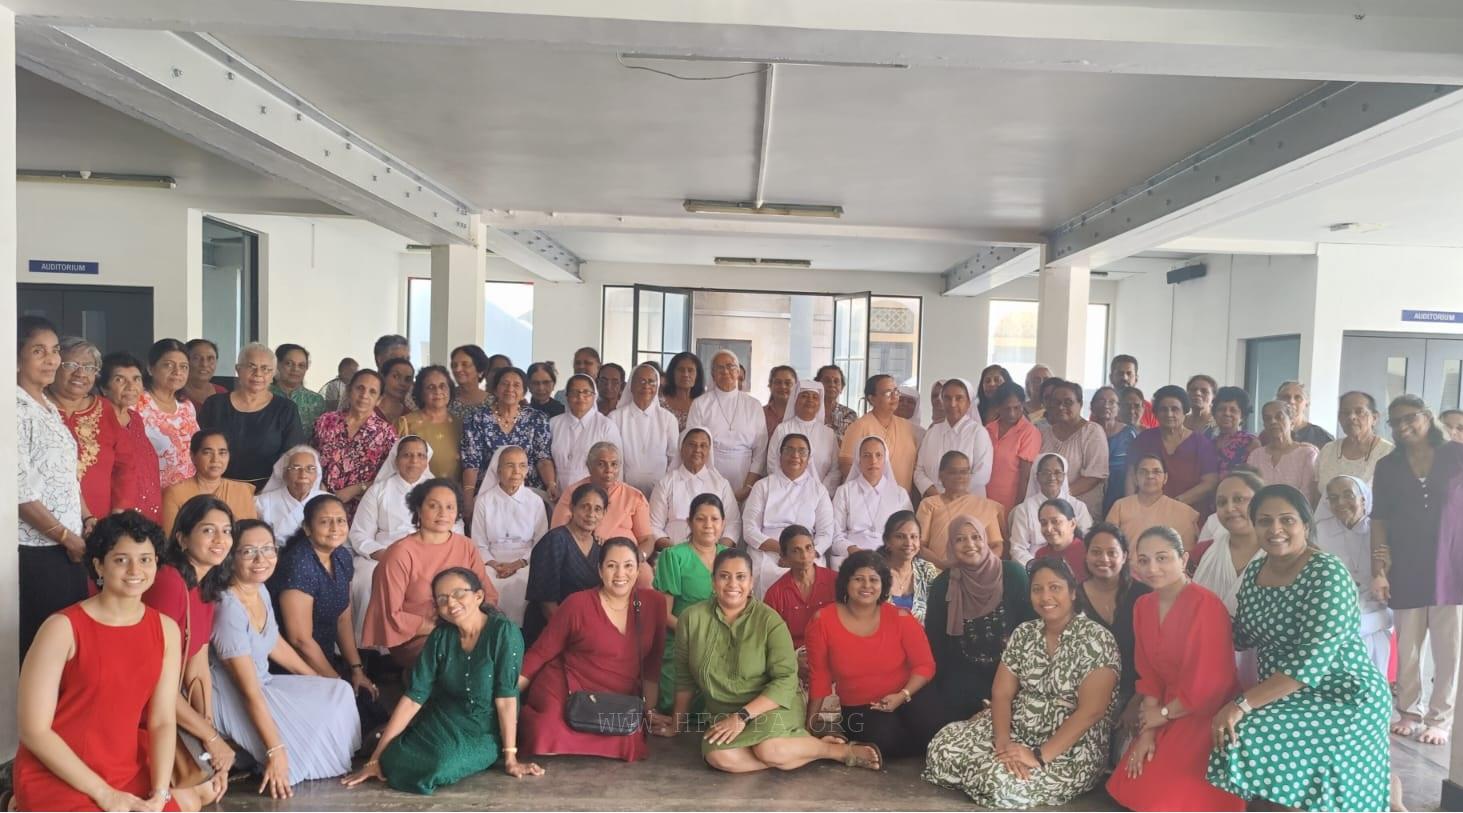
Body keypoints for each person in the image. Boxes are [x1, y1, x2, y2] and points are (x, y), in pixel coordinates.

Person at [1206, 484, 1390, 810]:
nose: (1275, 529)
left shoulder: (1327, 573)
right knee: (1240, 740)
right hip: (1285, 693)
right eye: (1264, 521)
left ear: (1305, 525)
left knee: (1245, 733)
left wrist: (1240, 704)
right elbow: (1242, 635)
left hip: (1342, 694)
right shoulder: (1256, 572)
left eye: (1286, 520)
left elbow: (1309, 663)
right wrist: (1191, 616)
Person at [14, 511, 199, 812]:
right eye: (121, 559)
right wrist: (104, 794)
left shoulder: (166, 629)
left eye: (145, 559)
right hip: (58, 773)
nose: (135, 570)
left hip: (127, 769)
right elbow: (34, 730)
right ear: (99, 565)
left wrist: (160, 791)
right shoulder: (61, 628)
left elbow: (163, 720)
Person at [923, 557, 1119, 808]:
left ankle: (988, 771)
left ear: (1072, 592)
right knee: (942, 745)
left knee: (996, 781)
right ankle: (990, 765)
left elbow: (1092, 711)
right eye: (1037, 589)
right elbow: (1001, 693)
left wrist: (1037, 756)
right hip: (1019, 727)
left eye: (1055, 588)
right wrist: (1003, 742)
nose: (1045, 597)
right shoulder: (1025, 633)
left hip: (1069, 748)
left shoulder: (1097, 639)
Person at [670, 549, 883, 773]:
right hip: (724, 712)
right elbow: (684, 678)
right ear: (713, 581)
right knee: (720, 757)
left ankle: (835, 751)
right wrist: (676, 724)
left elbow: (786, 680)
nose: (733, 584)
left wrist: (742, 716)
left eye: (741, 577)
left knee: (769, 749)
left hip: (773, 706)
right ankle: (798, 750)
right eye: (724, 576)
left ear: (751, 582)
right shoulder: (691, 619)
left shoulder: (769, 620)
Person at [343, 567, 542, 795]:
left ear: (478, 596)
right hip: (441, 720)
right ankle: (386, 745)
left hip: (483, 731)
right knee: (391, 758)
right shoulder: (440, 636)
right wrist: (375, 759)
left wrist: (510, 758)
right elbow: (414, 697)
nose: (451, 603)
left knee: (439, 766)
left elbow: (507, 698)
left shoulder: (503, 633)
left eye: (458, 594)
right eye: (442, 599)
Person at [209, 519, 360, 795]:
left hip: (262, 682)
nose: (261, 559)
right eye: (248, 552)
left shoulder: (259, 589)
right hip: (234, 693)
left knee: (338, 692)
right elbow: (248, 691)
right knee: (293, 760)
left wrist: (315, 679)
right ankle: (266, 756)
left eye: (268, 549)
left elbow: (274, 641)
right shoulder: (228, 608)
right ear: (231, 557)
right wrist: (275, 750)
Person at [1105, 527, 1242, 812]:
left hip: (1206, 713)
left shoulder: (1206, 605)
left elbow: (1210, 686)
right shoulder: (1143, 605)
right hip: (1165, 707)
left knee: (1160, 799)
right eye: (1144, 560)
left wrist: (1163, 715)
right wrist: (1147, 731)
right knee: (1132, 785)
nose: (1152, 568)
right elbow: (1149, 674)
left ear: (1184, 559)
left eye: (1162, 558)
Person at [519, 538, 671, 759]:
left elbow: (652, 665)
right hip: (567, 688)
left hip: (616, 698)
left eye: (628, 566)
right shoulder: (577, 603)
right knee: (545, 736)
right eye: (611, 566)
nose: (620, 574)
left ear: (639, 570)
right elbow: (541, 653)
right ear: (600, 570)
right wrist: (506, 696)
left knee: (628, 742)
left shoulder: (654, 603)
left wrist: (649, 711)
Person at [1372, 395, 1463, 747]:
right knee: (1408, 645)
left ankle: (1440, 717)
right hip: (1405, 563)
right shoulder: (1388, 465)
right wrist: (1379, 570)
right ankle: (1410, 711)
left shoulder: (1456, 455)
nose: (1402, 426)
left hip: (1452, 564)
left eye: (1409, 417)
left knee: (1448, 648)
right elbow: (1379, 520)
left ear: (1427, 416)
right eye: (1395, 421)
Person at [805, 550, 942, 759]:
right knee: (884, 741)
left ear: (883, 584)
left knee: (931, 728)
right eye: (858, 579)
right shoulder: (822, 620)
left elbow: (925, 665)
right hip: (860, 706)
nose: (866, 585)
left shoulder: (900, 617)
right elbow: (820, 676)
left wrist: (902, 695)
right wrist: (810, 723)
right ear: (846, 582)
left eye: (873, 580)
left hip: (907, 694)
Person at [144, 495, 240, 783]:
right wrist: (210, 738)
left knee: (209, 780)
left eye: (226, 531)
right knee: (196, 791)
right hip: (144, 707)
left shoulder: (204, 584)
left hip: (170, 704)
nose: (220, 539)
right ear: (182, 539)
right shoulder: (168, 582)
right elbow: (152, 679)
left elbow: (198, 670)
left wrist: (208, 735)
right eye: (208, 530)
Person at [362, 479, 494, 667]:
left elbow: (486, 593)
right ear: (418, 509)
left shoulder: (466, 545)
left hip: (465, 626)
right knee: (464, 661)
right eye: (433, 506)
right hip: (421, 635)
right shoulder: (400, 553)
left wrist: (471, 622)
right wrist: (444, 627)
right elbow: (390, 614)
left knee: (502, 643)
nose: (443, 513)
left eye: (450, 507)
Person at [17, 317, 89, 659]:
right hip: (37, 551)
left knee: (66, 646)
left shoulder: (45, 405)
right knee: (42, 649)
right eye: (38, 351)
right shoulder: (13, 408)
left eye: (55, 350)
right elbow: (18, 493)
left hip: (67, 546)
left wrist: (87, 519)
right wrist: (67, 538)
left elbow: (65, 476)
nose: (51, 360)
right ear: (16, 358)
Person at [923, 514, 1032, 720]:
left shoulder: (1013, 574)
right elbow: (936, 643)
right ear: (951, 545)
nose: (969, 544)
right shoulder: (943, 585)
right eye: (960, 539)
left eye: (976, 537)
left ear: (985, 539)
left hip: (1014, 672)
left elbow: (1032, 631)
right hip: (965, 679)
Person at [270, 495, 376, 701]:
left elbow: (343, 618)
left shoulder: (341, 556)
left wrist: (356, 670)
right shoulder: (299, 565)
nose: (335, 528)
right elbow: (300, 640)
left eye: (340, 520)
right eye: (325, 522)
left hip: (324, 659)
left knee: (368, 699)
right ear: (307, 528)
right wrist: (337, 683)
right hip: (293, 667)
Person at [348, 437, 448, 640]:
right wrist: (384, 554)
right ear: (395, 460)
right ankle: (373, 644)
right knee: (365, 579)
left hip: (430, 554)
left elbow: (454, 528)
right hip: (385, 554)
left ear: (427, 461)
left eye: (420, 456)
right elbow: (359, 533)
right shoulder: (378, 491)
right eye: (407, 455)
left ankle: (431, 640)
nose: (414, 461)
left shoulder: (440, 492)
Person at [652, 493, 731, 711]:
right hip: (684, 643)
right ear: (689, 522)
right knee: (680, 713)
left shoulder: (730, 557)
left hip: (724, 643)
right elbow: (664, 614)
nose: (708, 525)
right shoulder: (673, 556)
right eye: (700, 519)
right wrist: (698, 636)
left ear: (723, 523)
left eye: (714, 519)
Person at [1074, 524, 1152, 733]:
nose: (1104, 559)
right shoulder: (1074, 598)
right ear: (1086, 555)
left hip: (1139, 694)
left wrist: (1136, 702)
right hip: (1089, 698)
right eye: (1096, 552)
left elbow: (1156, 656)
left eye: (1112, 552)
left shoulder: (1144, 596)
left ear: (1124, 556)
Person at [48, 337, 136, 519]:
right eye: (70, 365)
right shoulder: (37, 407)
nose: (80, 373)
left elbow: (125, 466)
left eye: (89, 368)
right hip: (44, 520)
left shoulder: (104, 409)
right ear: (54, 366)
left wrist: (118, 513)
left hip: (98, 522)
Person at [1191, 470, 1265, 687]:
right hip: (1206, 667)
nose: (1229, 508)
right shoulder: (1203, 553)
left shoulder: (1281, 557)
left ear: (1262, 502)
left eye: (1239, 499)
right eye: (1222, 502)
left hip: (1267, 672)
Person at [198, 343, 306, 490]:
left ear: (273, 374)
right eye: (251, 366)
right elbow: (199, 449)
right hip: (216, 487)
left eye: (265, 369)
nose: (258, 374)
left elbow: (293, 455)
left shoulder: (286, 409)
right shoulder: (215, 405)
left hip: (268, 491)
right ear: (238, 369)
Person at [1317, 475, 1393, 675]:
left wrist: (1390, 565)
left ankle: (1368, 683)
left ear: (1363, 499)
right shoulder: (1320, 532)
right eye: (1333, 498)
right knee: (1358, 633)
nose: (1341, 503)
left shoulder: (1380, 532)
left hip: (1378, 605)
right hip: (1337, 606)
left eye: (1348, 495)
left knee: (1355, 631)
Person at [744, 433, 835, 596]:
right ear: (780, 455)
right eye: (789, 450)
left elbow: (826, 533)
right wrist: (784, 550)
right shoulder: (762, 486)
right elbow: (749, 529)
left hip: (806, 553)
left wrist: (804, 554)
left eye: (802, 451)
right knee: (763, 573)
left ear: (809, 459)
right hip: (768, 549)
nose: (795, 456)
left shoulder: (819, 490)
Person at [471, 446, 548, 626]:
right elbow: (478, 543)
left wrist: (519, 563)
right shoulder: (484, 501)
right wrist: (495, 564)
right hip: (492, 562)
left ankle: (520, 632)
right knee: (485, 582)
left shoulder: (535, 501)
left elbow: (541, 542)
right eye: (510, 465)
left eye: (522, 466)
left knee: (524, 582)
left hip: (526, 561)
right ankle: (493, 631)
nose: (516, 471)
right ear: (498, 470)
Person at [523, 483, 609, 645]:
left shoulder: (600, 548)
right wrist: (575, 636)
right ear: (572, 507)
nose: (591, 514)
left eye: (597, 509)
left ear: (604, 513)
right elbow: (546, 604)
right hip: (552, 629)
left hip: (587, 627)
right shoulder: (554, 541)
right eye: (585, 507)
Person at [548, 442, 654, 564]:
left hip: (628, 561)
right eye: (601, 464)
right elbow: (557, 534)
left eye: (614, 464)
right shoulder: (573, 492)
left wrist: (638, 557)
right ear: (589, 466)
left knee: (645, 575)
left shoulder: (633, 496)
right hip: (582, 558)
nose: (609, 470)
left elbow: (647, 539)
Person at [313, 368, 398, 520]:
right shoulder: (325, 421)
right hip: (321, 505)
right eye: (360, 388)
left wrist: (358, 488)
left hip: (363, 511)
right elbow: (310, 457)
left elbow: (391, 477)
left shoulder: (386, 433)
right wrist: (318, 482)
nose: (364, 395)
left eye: (372, 392)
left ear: (379, 399)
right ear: (349, 390)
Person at [461, 366, 555, 501]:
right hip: (488, 494)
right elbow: (471, 464)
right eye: (505, 384)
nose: (510, 389)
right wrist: (468, 499)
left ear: (524, 392)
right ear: (495, 389)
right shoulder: (476, 419)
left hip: (528, 493)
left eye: (516, 385)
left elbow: (543, 458)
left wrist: (551, 485)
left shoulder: (537, 419)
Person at [1125, 384, 1219, 519]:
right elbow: (1131, 476)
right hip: (1146, 512)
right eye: (1163, 409)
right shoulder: (1144, 439)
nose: (1169, 414)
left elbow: (1210, 482)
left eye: (1175, 409)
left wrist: (1175, 503)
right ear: (1156, 413)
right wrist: (1130, 507)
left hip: (1189, 514)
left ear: (1184, 411)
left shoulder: (1201, 443)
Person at [688, 349, 768, 501]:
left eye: (730, 366)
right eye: (720, 367)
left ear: (738, 372)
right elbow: (694, 446)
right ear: (713, 374)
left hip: (745, 476)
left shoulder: (753, 405)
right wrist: (708, 483)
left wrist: (748, 487)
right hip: (709, 475)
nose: (725, 371)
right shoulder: (700, 404)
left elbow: (761, 450)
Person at [831, 436, 912, 570]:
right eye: (866, 455)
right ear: (859, 460)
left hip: (889, 555)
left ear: (885, 460)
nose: (873, 461)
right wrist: (853, 550)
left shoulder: (900, 494)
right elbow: (835, 534)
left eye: (878, 455)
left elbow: (908, 532)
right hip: (852, 555)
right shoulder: (844, 491)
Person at [914, 451, 1006, 569]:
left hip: (978, 571)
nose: (960, 477)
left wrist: (977, 564)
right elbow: (920, 545)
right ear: (941, 476)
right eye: (953, 472)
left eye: (964, 472)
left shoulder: (984, 506)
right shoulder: (929, 504)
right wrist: (943, 565)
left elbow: (997, 545)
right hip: (937, 571)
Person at [101, 352, 162, 523]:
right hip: (113, 513)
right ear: (104, 388)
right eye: (120, 379)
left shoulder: (135, 419)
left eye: (136, 379)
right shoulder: (97, 420)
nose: (131, 386)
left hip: (147, 513)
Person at [160, 430, 258, 534]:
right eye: (207, 453)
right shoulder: (175, 493)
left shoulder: (242, 491)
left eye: (222, 453)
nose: (215, 459)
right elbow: (170, 539)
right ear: (193, 456)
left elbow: (252, 535)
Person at [1039, 379, 1109, 517]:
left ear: (1080, 404)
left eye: (1068, 402)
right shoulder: (1044, 434)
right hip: (1047, 508)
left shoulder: (1092, 432)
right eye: (1056, 402)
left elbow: (1093, 477)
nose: (1061, 407)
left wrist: (1059, 495)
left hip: (1081, 510)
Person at [839, 374, 918, 495]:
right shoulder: (859, 427)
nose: (894, 397)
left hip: (901, 499)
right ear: (872, 399)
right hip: (867, 498)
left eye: (896, 392)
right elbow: (846, 465)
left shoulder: (907, 427)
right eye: (887, 393)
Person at [139, 338, 201, 490]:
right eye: (168, 365)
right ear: (150, 368)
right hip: (151, 492)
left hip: (188, 493)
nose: (177, 372)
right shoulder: (136, 405)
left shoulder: (186, 406)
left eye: (184, 367)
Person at [915, 378, 994, 499]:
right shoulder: (932, 432)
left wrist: (951, 497)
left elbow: (982, 474)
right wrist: (936, 495)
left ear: (968, 403)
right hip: (934, 501)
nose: (952, 404)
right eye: (947, 398)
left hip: (968, 501)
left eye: (959, 398)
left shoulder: (978, 433)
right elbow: (919, 471)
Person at [763, 525, 838, 651]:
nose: (804, 555)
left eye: (809, 548)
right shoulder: (775, 594)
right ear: (783, 556)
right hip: (793, 656)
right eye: (796, 551)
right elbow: (770, 639)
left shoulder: (836, 581)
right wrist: (794, 656)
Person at [1009, 453, 1093, 564]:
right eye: (1046, 473)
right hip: (1035, 565)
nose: (1052, 478)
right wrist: (1038, 568)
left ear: (1064, 476)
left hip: (1072, 565)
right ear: (1037, 477)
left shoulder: (1078, 507)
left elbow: (1088, 542)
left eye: (1057, 473)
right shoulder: (1024, 509)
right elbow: (1018, 549)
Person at [1107, 454, 1201, 551]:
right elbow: (1107, 544)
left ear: (1165, 478)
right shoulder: (1120, 506)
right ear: (1135, 478)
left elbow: (1187, 552)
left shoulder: (1183, 512)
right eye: (1143, 472)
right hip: (1127, 561)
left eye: (1156, 472)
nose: (1150, 476)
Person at [613, 363, 679, 495]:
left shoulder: (668, 419)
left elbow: (674, 458)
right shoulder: (615, 417)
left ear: (657, 387)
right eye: (641, 381)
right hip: (624, 490)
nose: (646, 386)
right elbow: (613, 457)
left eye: (651, 382)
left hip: (660, 491)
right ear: (631, 386)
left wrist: (666, 489)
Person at [549, 374, 623, 492]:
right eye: (574, 392)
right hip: (558, 491)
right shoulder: (554, 423)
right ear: (567, 396)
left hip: (593, 492)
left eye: (586, 392)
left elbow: (617, 465)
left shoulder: (606, 426)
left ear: (594, 396)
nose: (580, 397)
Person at [767, 379, 841, 494]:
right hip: (785, 493)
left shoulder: (829, 434)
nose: (810, 400)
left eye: (815, 397)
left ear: (820, 403)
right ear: (795, 400)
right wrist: (792, 490)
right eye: (804, 396)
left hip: (820, 495)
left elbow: (835, 469)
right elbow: (772, 464)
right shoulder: (782, 429)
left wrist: (820, 491)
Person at [1246, 400, 1320, 505]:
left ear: (1292, 422)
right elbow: (1250, 492)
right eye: (1268, 418)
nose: (1273, 421)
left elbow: (1307, 497)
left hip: (1296, 512)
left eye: (1279, 417)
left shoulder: (1307, 454)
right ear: (1264, 425)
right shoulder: (1256, 456)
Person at [396, 365, 462, 481]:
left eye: (443, 386)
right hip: (415, 491)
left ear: (450, 390)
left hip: (453, 490)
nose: (438, 391)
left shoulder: (460, 424)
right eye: (431, 387)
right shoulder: (405, 423)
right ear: (421, 392)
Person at [985, 381, 1041, 514]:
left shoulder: (1029, 432)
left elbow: (1025, 477)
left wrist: (1017, 509)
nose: (1012, 413)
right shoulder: (988, 429)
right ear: (998, 407)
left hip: (1011, 502)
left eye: (1017, 408)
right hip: (984, 498)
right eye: (1006, 408)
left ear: (1023, 405)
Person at [1318, 390, 1393, 488]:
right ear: (1339, 418)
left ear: (1374, 418)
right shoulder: (1328, 450)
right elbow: (1316, 493)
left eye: (1359, 412)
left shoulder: (1388, 453)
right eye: (1345, 413)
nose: (1351, 417)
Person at [880, 510, 941, 621]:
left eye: (913, 537)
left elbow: (938, 612)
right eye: (900, 537)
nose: (908, 543)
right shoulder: (875, 573)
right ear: (887, 541)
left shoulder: (926, 570)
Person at [1091, 385, 1138, 517]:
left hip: (1121, 491)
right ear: (1092, 406)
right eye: (1101, 400)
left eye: (1112, 402)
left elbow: (1136, 468)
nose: (1106, 405)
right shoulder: (1086, 432)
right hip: (1090, 492)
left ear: (1118, 408)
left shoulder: (1129, 433)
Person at [271, 344, 328, 441]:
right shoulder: (263, 395)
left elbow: (320, 438)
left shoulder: (316, 401)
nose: (295, 369)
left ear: (306, 368)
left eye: (301, 365)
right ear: (277, 364)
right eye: (289, 363)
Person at [1032, 499, 1089, 580]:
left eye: (1055, 521)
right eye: (1044, 523)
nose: (1049, 528)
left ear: (1072, 524)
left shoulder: (1087, 551)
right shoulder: (1041, 554)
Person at [1210, 386, 1260, 477]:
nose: (1227, 413)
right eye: (1221, 409)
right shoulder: (1208, 443)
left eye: (1233, 410)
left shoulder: (1250, 442)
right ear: (1214, 414)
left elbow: (1254, 478)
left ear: (1242, 416)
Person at [1277, 380, 1335, 448]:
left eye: (1298, 398)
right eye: (1286, 397)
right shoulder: (1268, 434)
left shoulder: (1322, 437)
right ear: (1277, 401)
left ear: (1307, 403)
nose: (1291, 401)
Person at [659, 352, 704, 434]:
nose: (685, 374)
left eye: (690, 370)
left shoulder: (704, 403)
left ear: (698, 375)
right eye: (681, 370)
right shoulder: (659, 403)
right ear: (672, 373)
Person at [1108, 355, 1157, 429]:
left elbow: (1157, 434)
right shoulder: (1102, 407)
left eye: (1129, 373)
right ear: (1111, 378)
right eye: (1120, 373)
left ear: (1136, 379)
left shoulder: (1149, 409)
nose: (1124, 378)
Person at [814, 364, 859, 442]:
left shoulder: (849, 414)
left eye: (836, 381)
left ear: (841, 388)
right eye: (827, 381)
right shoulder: (808, 410)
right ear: (817, 384)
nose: (832, 384)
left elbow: (851, 442)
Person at [182, 338, 227, 410]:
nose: (204, 364)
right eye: (196, 358)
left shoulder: (222, 393)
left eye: (210, 359)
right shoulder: (174, 393)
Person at [448, 344, 490, 418]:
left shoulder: (493, 403)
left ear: (480, 370)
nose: (458, 369)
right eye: (454, 365)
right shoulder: (445, 398)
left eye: (465, 364)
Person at [376, 358, 415, 426]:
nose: (402, 383)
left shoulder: (410, 417)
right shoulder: (368, 411)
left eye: (407, 379)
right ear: (383, 377)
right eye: (396, 376)